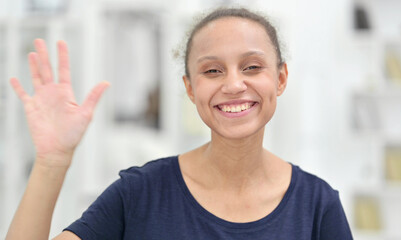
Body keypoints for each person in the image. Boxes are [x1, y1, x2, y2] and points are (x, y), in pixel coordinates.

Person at [6, 7, 353, 240]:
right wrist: (52, 162)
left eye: (251, 67)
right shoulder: (140, 193)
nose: (233, 85)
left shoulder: (317, 206)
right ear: (190, 87)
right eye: (212, 70)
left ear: (280, 78)